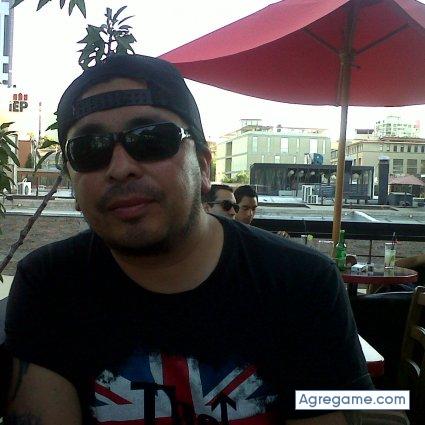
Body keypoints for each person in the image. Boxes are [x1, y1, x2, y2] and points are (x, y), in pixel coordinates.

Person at [4, 54, 373, 425]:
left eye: (151, 139)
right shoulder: (49, 284)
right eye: (89, 149)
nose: (120, 168)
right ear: (71, 178)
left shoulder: (302, 282)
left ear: (204, 167)